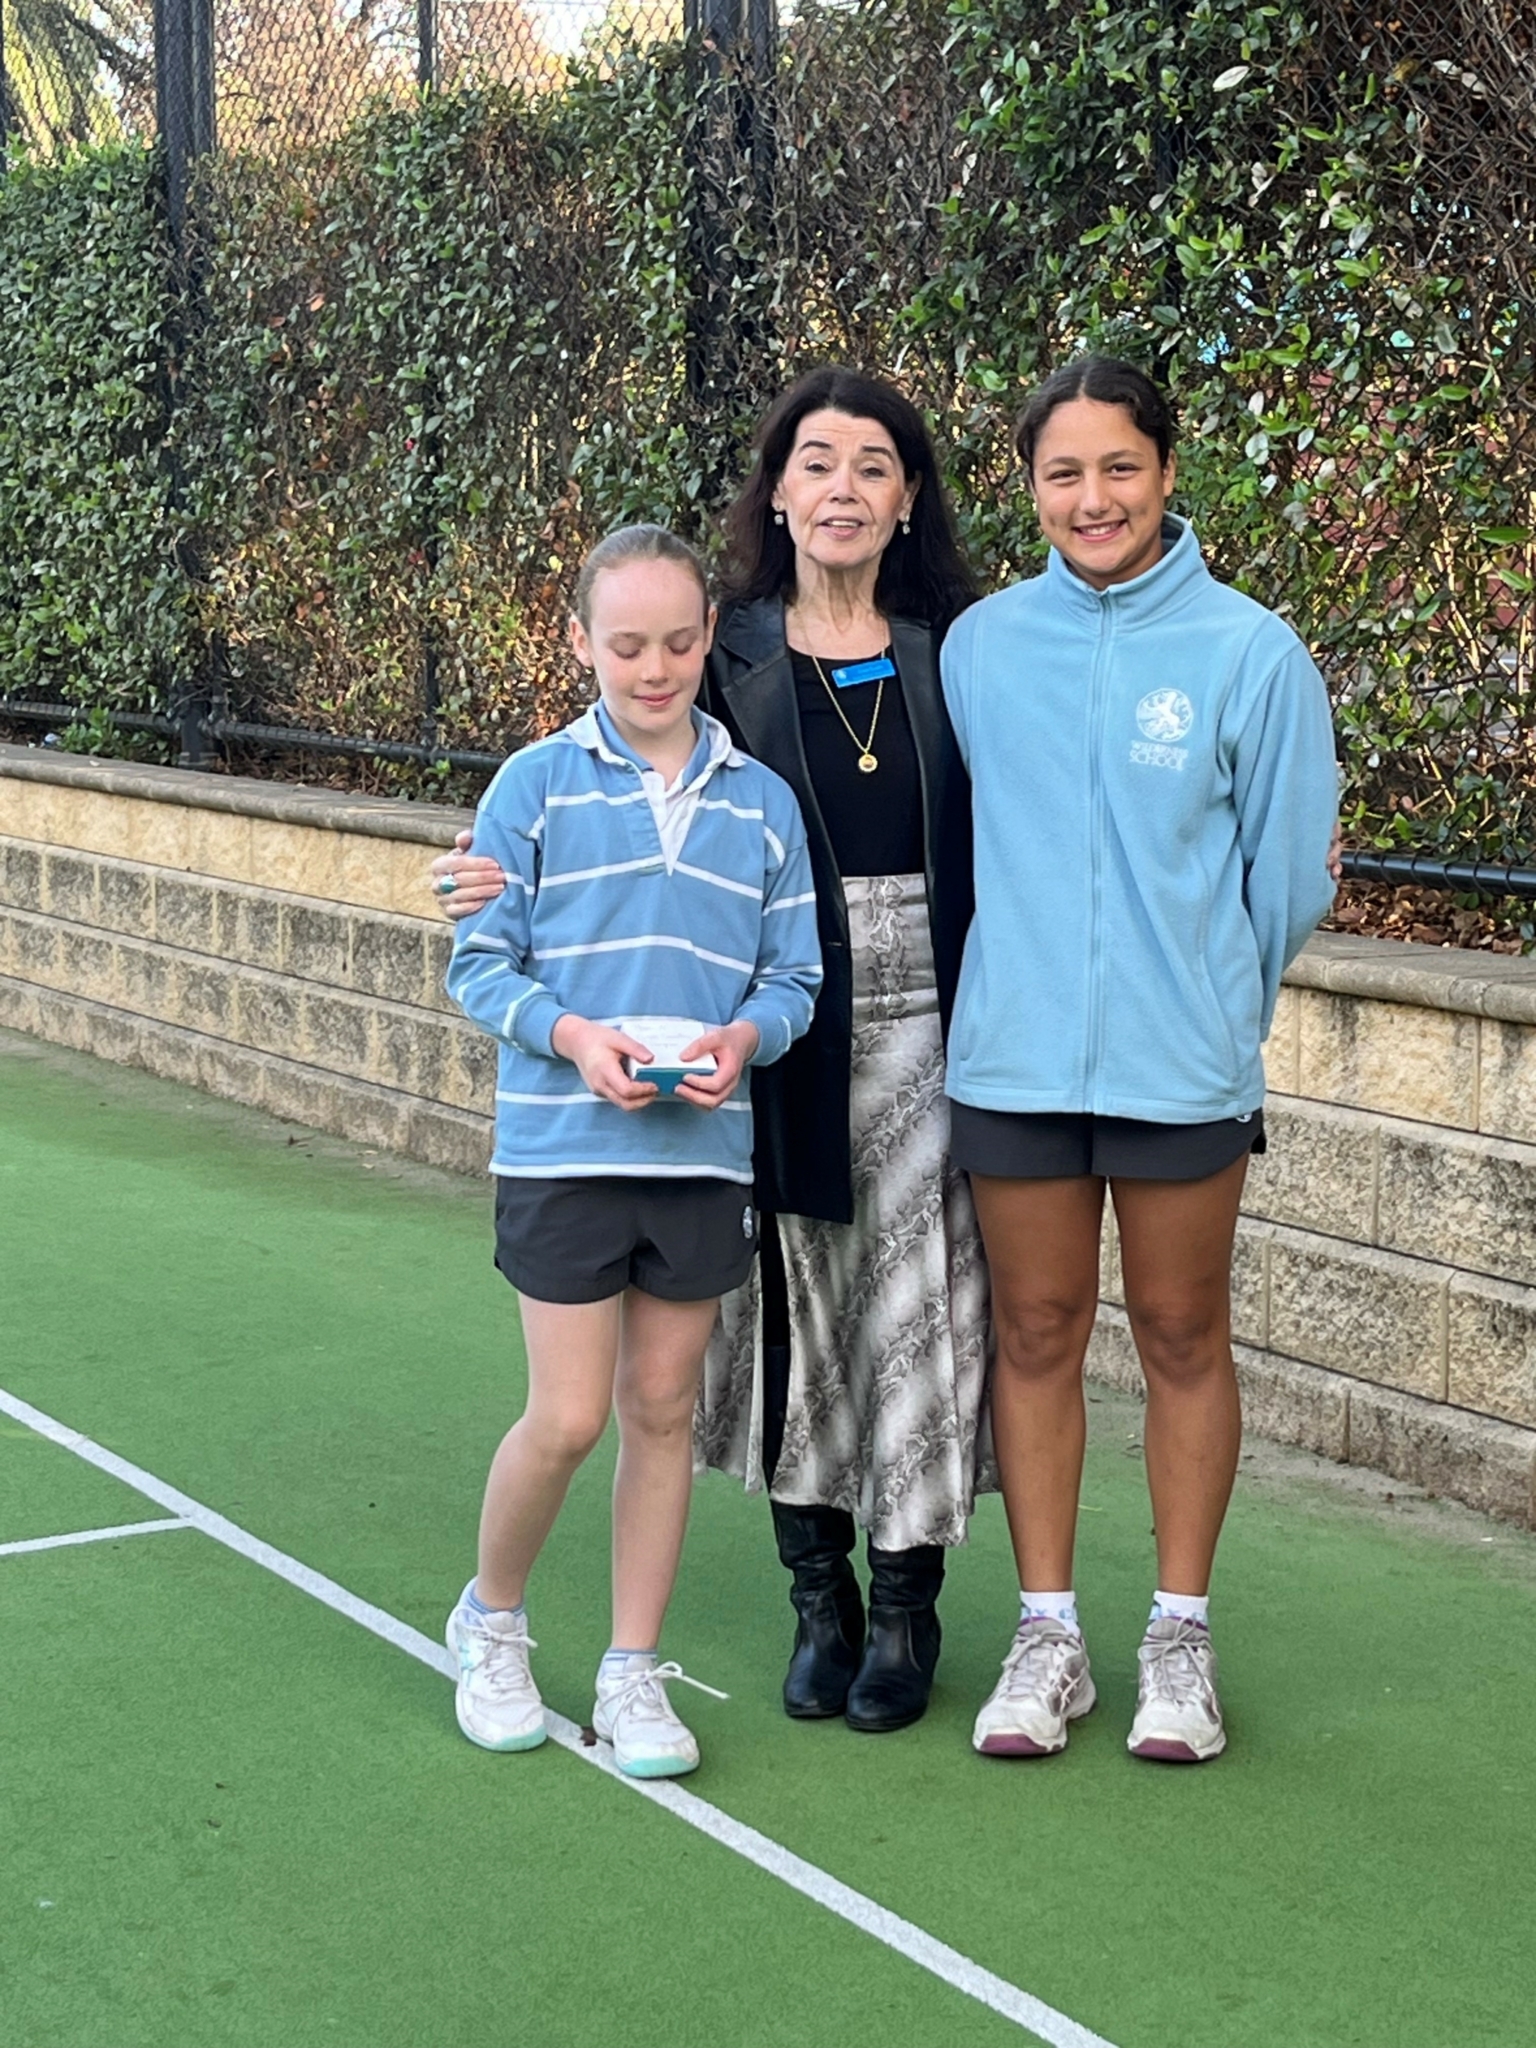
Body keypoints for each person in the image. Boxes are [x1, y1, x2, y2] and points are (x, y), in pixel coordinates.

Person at [435, 368, 991, 1736]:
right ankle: (812, 1599)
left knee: (901, 1312)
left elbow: (1041, 801)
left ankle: (893, 1608)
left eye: (874, 464)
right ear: (778, 492)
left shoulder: (961, 657)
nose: (844, 487)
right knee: (774, 1317)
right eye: (818, 461)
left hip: (903, 1028)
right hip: (712, 1075)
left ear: (907, 495)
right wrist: (482, 887)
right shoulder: (723, 660)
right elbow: (562, 842)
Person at [941, 356, 1337, 1764]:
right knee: (1037, 1333)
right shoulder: (980, 649)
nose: (1093, 497)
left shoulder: (1252, 653)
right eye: (1064, 473)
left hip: (1184, 1069)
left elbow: (1285, 881)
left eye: (1120, 466)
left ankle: (1180, 1638)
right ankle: (1048, 1636)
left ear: (1167, 472)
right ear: (1030, 488)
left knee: (1180, 1334)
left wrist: (1211, 1002)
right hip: (1015, 1062)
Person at [441, 523, 821, 1780]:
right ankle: (492, 1622)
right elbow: (480, 965)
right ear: (580, 643)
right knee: (565, 1416)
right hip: (562, 1146)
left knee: (661, 1409)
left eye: (676, 642)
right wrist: (573, 1036)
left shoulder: (763, 803)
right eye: (625, 644)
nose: (653, 668)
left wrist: (744, 1039)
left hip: (701, 1154)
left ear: (709, 638)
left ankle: (631, 1667)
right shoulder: (532, 786)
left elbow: (795, 979)